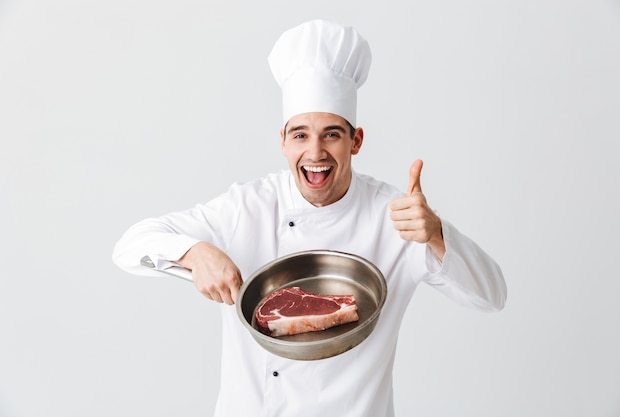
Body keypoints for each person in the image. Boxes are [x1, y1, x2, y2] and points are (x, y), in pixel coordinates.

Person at [112, 19, 506, 417]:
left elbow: (492, 295)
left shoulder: (396, 216)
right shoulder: (246, 207)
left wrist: (436, 232)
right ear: (282, 142)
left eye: (332, 134)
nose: (315, 152)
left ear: (356, 141)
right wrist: (194, 253)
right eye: (300, 134)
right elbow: (129, 247)